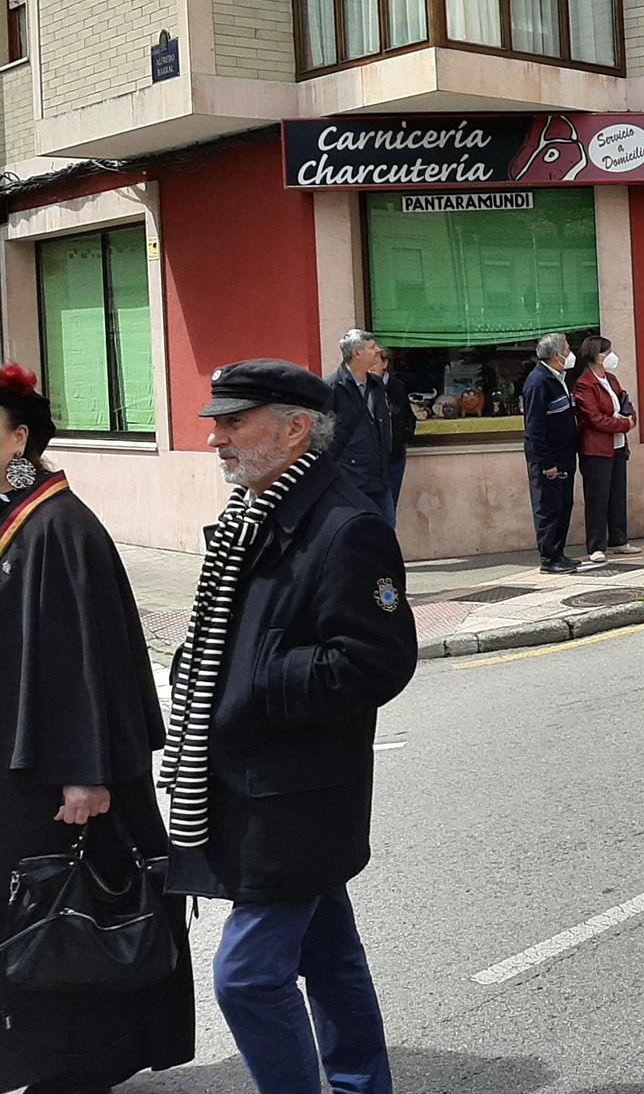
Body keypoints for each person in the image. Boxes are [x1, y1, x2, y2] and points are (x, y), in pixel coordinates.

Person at [163, 359, 417, 1094]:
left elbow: (375, 663)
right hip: (255, 785)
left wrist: (251, 685)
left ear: (297, 428)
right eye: (217, 421)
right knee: (330, 956)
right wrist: (199, 670)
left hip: (296, 797)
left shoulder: (346, 528)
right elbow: (234, 635)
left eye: (233, 421)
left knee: (245, 979)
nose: (215, 438)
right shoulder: (255, 515)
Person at [0, 363, 196, 1094]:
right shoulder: (13, 520)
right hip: (20, 770)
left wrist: (87, 772)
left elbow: (87, 661)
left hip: (62, 778)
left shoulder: (60, 529)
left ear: (20, 438)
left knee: (71, 915)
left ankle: (79, 1067)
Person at [572, 335, 639, 562]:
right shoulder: (584, 384)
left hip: (618, 446)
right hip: (596, 450)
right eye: (608, 352)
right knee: (598, 498)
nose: (612, 356)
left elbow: (625, 404)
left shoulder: (611, 379)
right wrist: (624, 423)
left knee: (617, 495)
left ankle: (619, 540)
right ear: (597, 356)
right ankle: (596, 546)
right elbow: (594, 419)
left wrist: (629, 419)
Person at [522, 331, 581, 573]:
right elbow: (534, 428)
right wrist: (547, 462)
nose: (570, 354)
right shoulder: (538, 382)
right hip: (549, 460)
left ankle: (559, 554)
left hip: (566, 456)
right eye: (567, 350)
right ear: (557, 355)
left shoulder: (559, 378)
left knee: (563, 505)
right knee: (548, 509)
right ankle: (549, 559)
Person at [324, 328, 394, 524]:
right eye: (372, 347)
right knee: (357, 529)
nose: (378, 350)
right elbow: (322, 435)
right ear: (357, 353)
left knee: (386, 527)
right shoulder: (333, 387)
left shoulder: (376, 384)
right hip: (350, 477)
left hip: (380, 475)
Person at [374, 348, 417, 528]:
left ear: (385, 364)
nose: (370, 366)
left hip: (395, 456)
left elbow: (408, 416)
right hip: (373, 458)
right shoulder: (364, 387)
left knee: (391, 505)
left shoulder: (397, 386)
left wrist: (404, 437)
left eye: (375, 361)